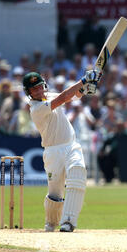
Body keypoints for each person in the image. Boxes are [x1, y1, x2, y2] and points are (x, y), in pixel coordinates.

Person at [22, 69, 100, 232]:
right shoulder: (36, 108)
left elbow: (74, 96)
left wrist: (86, 87)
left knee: (77, 173)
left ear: (44, 85)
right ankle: (51, 222)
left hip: (71, 145)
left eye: (39, 86)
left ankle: (68, 221)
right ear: (29, 93)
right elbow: (63, 97)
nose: (38, 90)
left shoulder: (48, 96)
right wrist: (84, 81)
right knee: (55, 193)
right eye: (34, 89)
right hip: (52, 151)